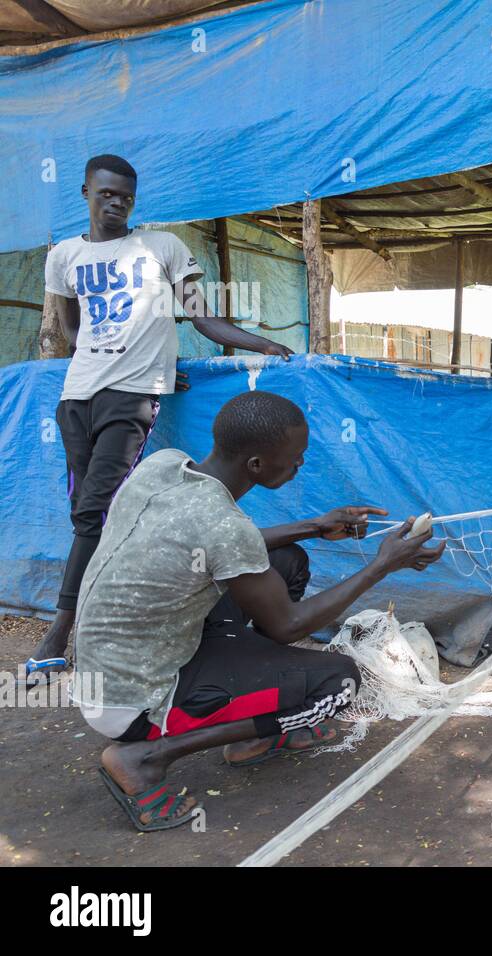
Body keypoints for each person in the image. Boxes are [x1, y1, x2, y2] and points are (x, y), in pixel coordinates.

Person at [73, 391, 444, 831]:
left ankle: (257, 721)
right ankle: (147, 757)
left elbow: (216, 545)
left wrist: (313, 527)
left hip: (105, 668)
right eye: (295, 458)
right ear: (255, 465)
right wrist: (385, 564)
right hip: (133, 703)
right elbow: (287, 626)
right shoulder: (224, 525)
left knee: (288, 560)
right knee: (339, 681)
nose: (300, 465)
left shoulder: (164, 466)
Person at [28, 154, 293, 686]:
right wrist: (128, 357)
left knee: (96, 508)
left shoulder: (163, 248)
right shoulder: (64, 256)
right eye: (105, 193)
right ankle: (91, 623)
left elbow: (204, 317)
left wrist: (262, 344)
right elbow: (76, 334)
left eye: (125, 195)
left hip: (132, 400)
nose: (116, 202)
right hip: (76, 398)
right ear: (85, 192)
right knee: (87, 511)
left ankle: (60, 632)